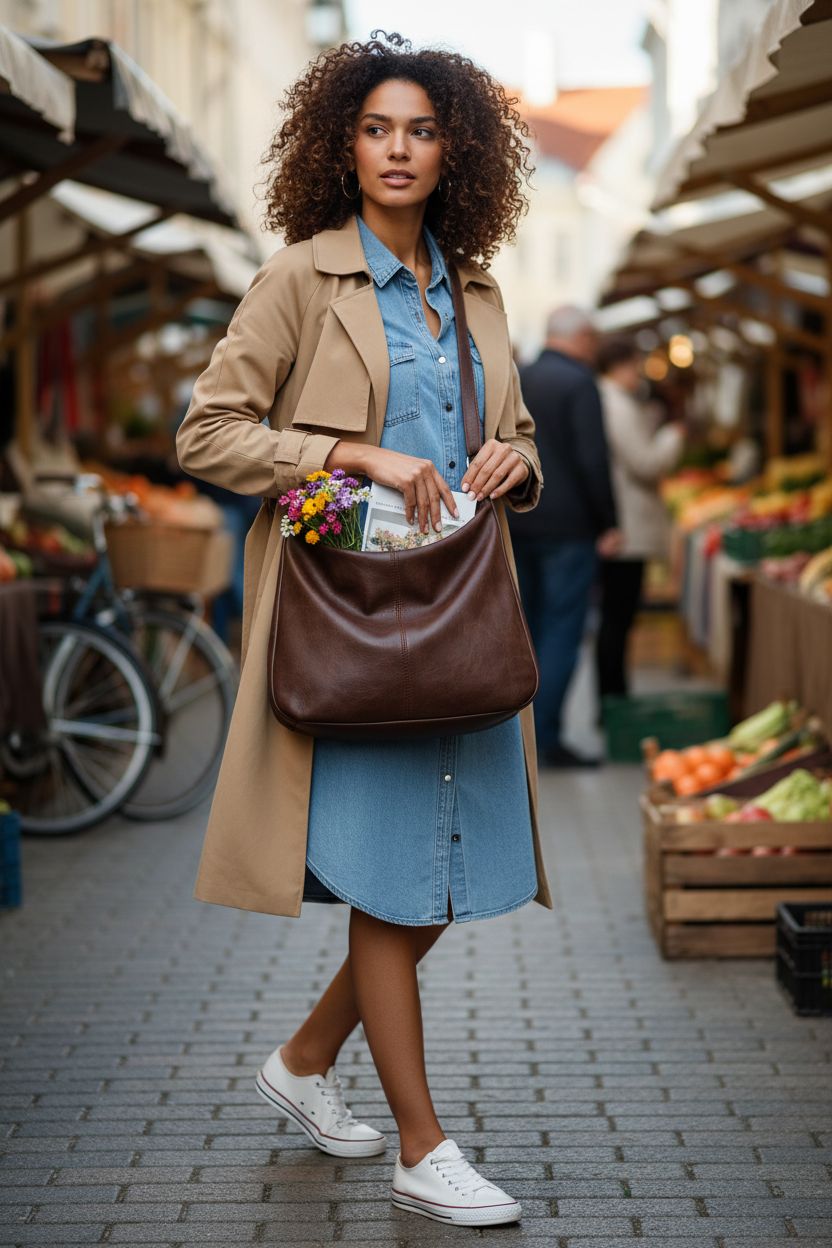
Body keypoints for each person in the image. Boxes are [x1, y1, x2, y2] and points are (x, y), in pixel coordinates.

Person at [175, 30, 553, 1230]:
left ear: (457, 153)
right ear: (344, 145)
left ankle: (299, 1063)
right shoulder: (299, 280)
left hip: (463, 615)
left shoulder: (477, 292)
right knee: (395, 883)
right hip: (351, 620)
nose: (399, 148)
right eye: (378, 127)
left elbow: (524, 441)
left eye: (422, 129)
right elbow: (210, 435)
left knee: (440, 880)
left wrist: (511, 459)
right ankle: (420, 1144)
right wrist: (348, 452)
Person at [508, 306, 619, 768]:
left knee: (527, 628)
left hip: (518, 516)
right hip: (569, 528)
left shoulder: (521, 376)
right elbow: (593, 460)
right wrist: (609, 521)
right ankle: (546, 738)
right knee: (562, 630)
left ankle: (519, 737)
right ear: (585, 338)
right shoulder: (579, 382)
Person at [595, 335, 684, 700]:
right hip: (629, 526)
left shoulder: (610, 400)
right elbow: (646, 463)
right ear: (625, 364)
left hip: (624, 522)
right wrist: (672, 437)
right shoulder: (616, 403)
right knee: (619, 617)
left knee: (617, 616)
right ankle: (613, 699)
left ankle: (613, 697)